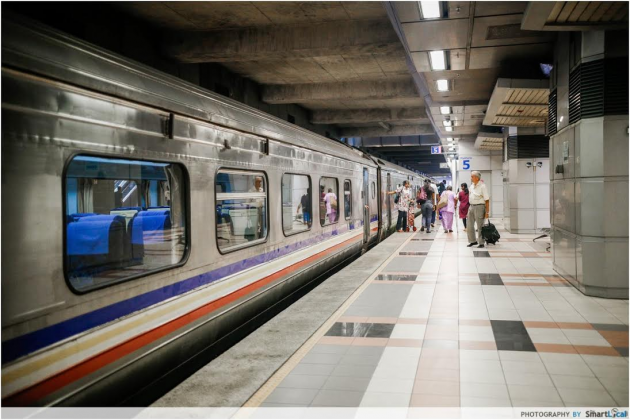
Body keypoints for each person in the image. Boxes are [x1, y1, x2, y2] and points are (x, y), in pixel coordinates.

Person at [466, 171, 490, 248]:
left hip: (480, 207)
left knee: (480, 226)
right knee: (469, 225)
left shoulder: (483, 186)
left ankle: (481, 242)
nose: (471, 178)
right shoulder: (471, 186)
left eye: (472, 176)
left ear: (476, 178)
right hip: (471, 206)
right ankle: (472, 241)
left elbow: (487, 200)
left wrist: (487, 212)